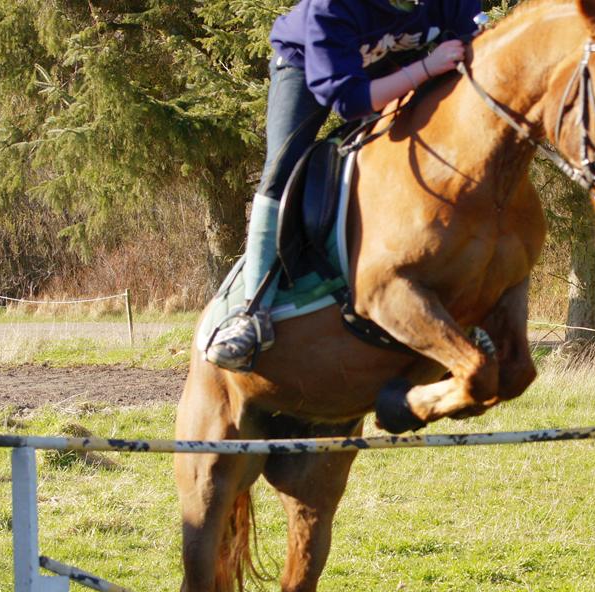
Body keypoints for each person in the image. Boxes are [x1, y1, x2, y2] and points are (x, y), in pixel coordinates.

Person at [205, 0, 482, 371]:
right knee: (282, 167)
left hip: (390, 65)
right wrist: (427, 66)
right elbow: (349, 102)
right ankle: (250, 312)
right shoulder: (331, 7)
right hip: (308, 67)